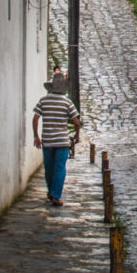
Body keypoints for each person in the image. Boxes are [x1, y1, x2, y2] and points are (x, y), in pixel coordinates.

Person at [32, 72, 80, 206]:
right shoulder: (67, 102)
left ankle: (51, 192)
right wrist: (77, 135)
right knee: (60, 168)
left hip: (47, 141)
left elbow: (35, 118)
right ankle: (56, 195)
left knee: (49, 168)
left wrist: (36, 136)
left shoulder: (43, 100)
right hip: (62, 142)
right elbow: (76, 122)